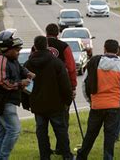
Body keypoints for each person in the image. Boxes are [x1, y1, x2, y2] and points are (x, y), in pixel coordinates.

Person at [77, 39, 120, 160]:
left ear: (104, 49)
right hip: (114, 106)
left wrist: (90, 101)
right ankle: (108, 158)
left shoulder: (94, 64)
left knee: (90, 134)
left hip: (97, 105)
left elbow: (84, 84)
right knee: (110, 136)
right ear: (118, 51)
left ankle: (81, 156)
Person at [24, 36, 74, 160]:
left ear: (34, 47)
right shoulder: (57, 63)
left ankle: (44, 156)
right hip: (56, 103)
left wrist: (26, 103)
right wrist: (68, 100)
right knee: (61, 131)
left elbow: (24, 85)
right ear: (47, 46)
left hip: (37, 103)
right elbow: (65, 84)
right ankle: (66, 155)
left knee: (41, 132)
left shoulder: (28, 64)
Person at [0, 29, 35, 160]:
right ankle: (2, 157)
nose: (18, 52)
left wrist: (28, 73)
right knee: (14, 130)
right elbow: (2, 82)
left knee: (2, 132)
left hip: (9, 101)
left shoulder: (11, 59)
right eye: (16, 50)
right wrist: (20, 84)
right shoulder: (2, 61)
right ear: (6, 49)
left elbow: (20, 68)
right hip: (4, 102)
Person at [45, 23, 77, 155]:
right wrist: (73, 86)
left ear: (46, 32)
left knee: (42, 124)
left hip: (43, 88)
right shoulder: (64, 47)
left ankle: (45, 150)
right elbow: (71, 67)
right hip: (61, 88)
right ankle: (61, 148)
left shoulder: (38, 46)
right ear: (58, 33)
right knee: (63, 120)